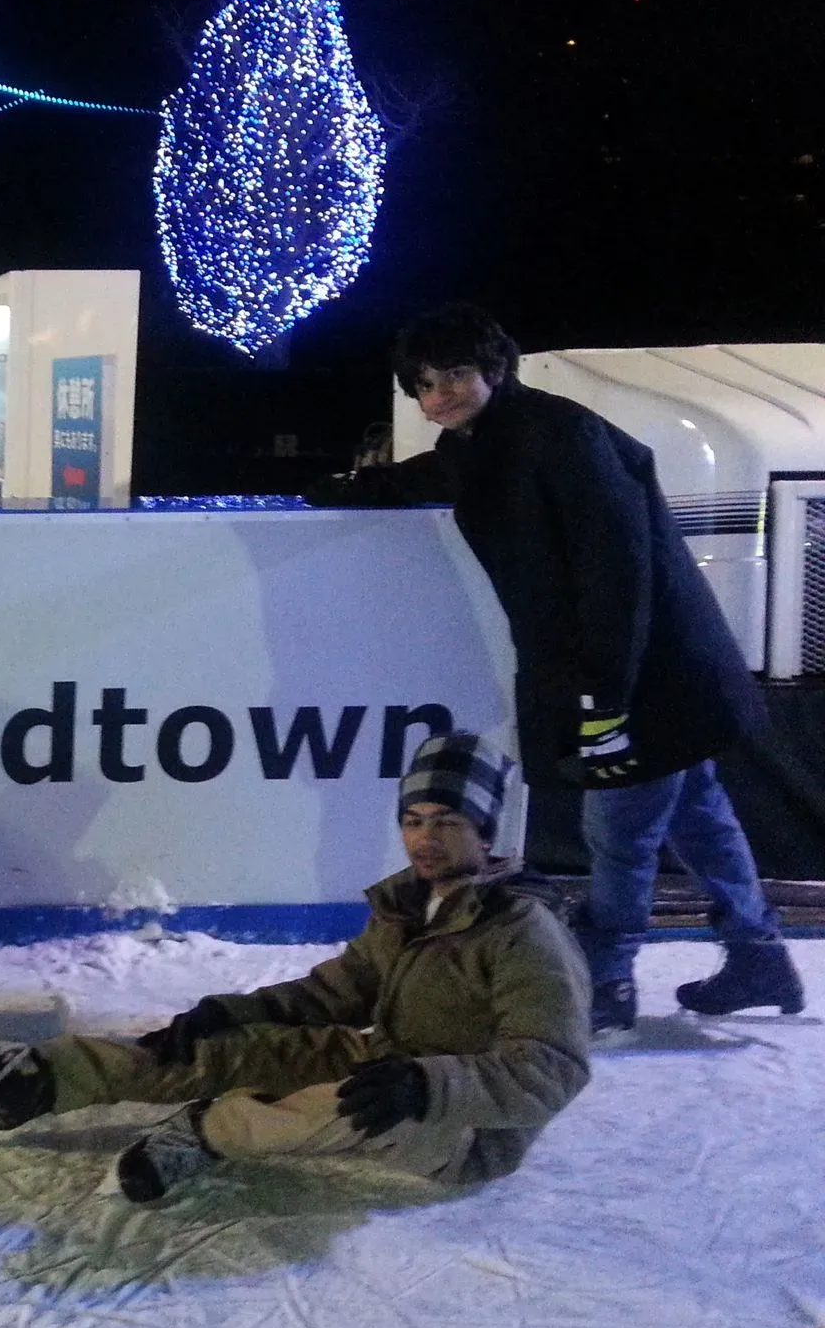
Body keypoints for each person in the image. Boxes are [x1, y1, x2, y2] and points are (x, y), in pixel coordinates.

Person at [309, 303, 801, 1031]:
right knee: (698, 812)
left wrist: (605, 694)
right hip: (648, 672)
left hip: (642, 674)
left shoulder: (560, 436)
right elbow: (439, 476)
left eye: (454, 375)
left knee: (621, 830)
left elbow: (618, 572)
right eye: (424, 384)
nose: (439, 395)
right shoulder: (491, 437)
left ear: (495, 369)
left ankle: (606, 982)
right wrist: (352, 487)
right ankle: (758, 955)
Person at [0, 734, 592, 1205]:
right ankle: (35, 1081)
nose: (424, 837)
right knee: (219, 1048)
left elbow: (553, 1068)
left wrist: (428, 1085)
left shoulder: (523, 933)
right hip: (388, 1060)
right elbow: (341, 990)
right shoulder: (411, 904)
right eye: (413, 819)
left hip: (461, 1126)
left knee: (343, 1105)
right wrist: (233, 1013)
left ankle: (204, 1132)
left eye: (447, 821)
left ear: (488, 834)